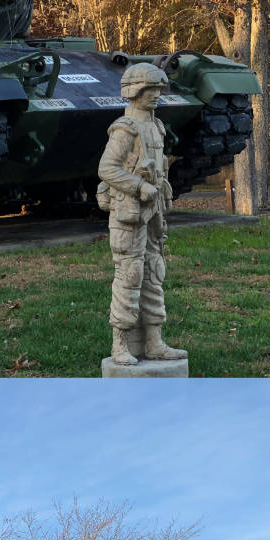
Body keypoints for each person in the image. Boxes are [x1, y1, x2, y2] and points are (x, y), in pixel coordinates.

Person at [96, 61, 188, 368]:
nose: (157, 95)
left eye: (159, 89)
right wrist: (138, 187)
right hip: (130, 213)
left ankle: (154, 341)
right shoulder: (125, 129)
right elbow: (107, 169)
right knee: (130, 273)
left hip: (154, 211)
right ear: (135, 91)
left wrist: (163, 187)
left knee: (154, 271)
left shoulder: (157, 126)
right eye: (151, 89)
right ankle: (120, 343)